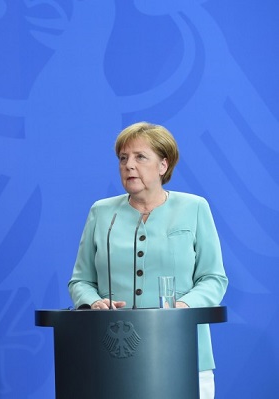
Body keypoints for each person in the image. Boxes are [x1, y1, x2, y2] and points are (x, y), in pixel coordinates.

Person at [68, 122, 228, 398]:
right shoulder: (102, 213)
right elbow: (80, 280)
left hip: (184, 352)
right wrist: (93, 302)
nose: (129, 165)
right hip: (112, 354)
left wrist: (183, 306)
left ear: (163, 165)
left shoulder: (194, 208)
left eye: (140, 157)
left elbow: (213, 278)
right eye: (123, 158)